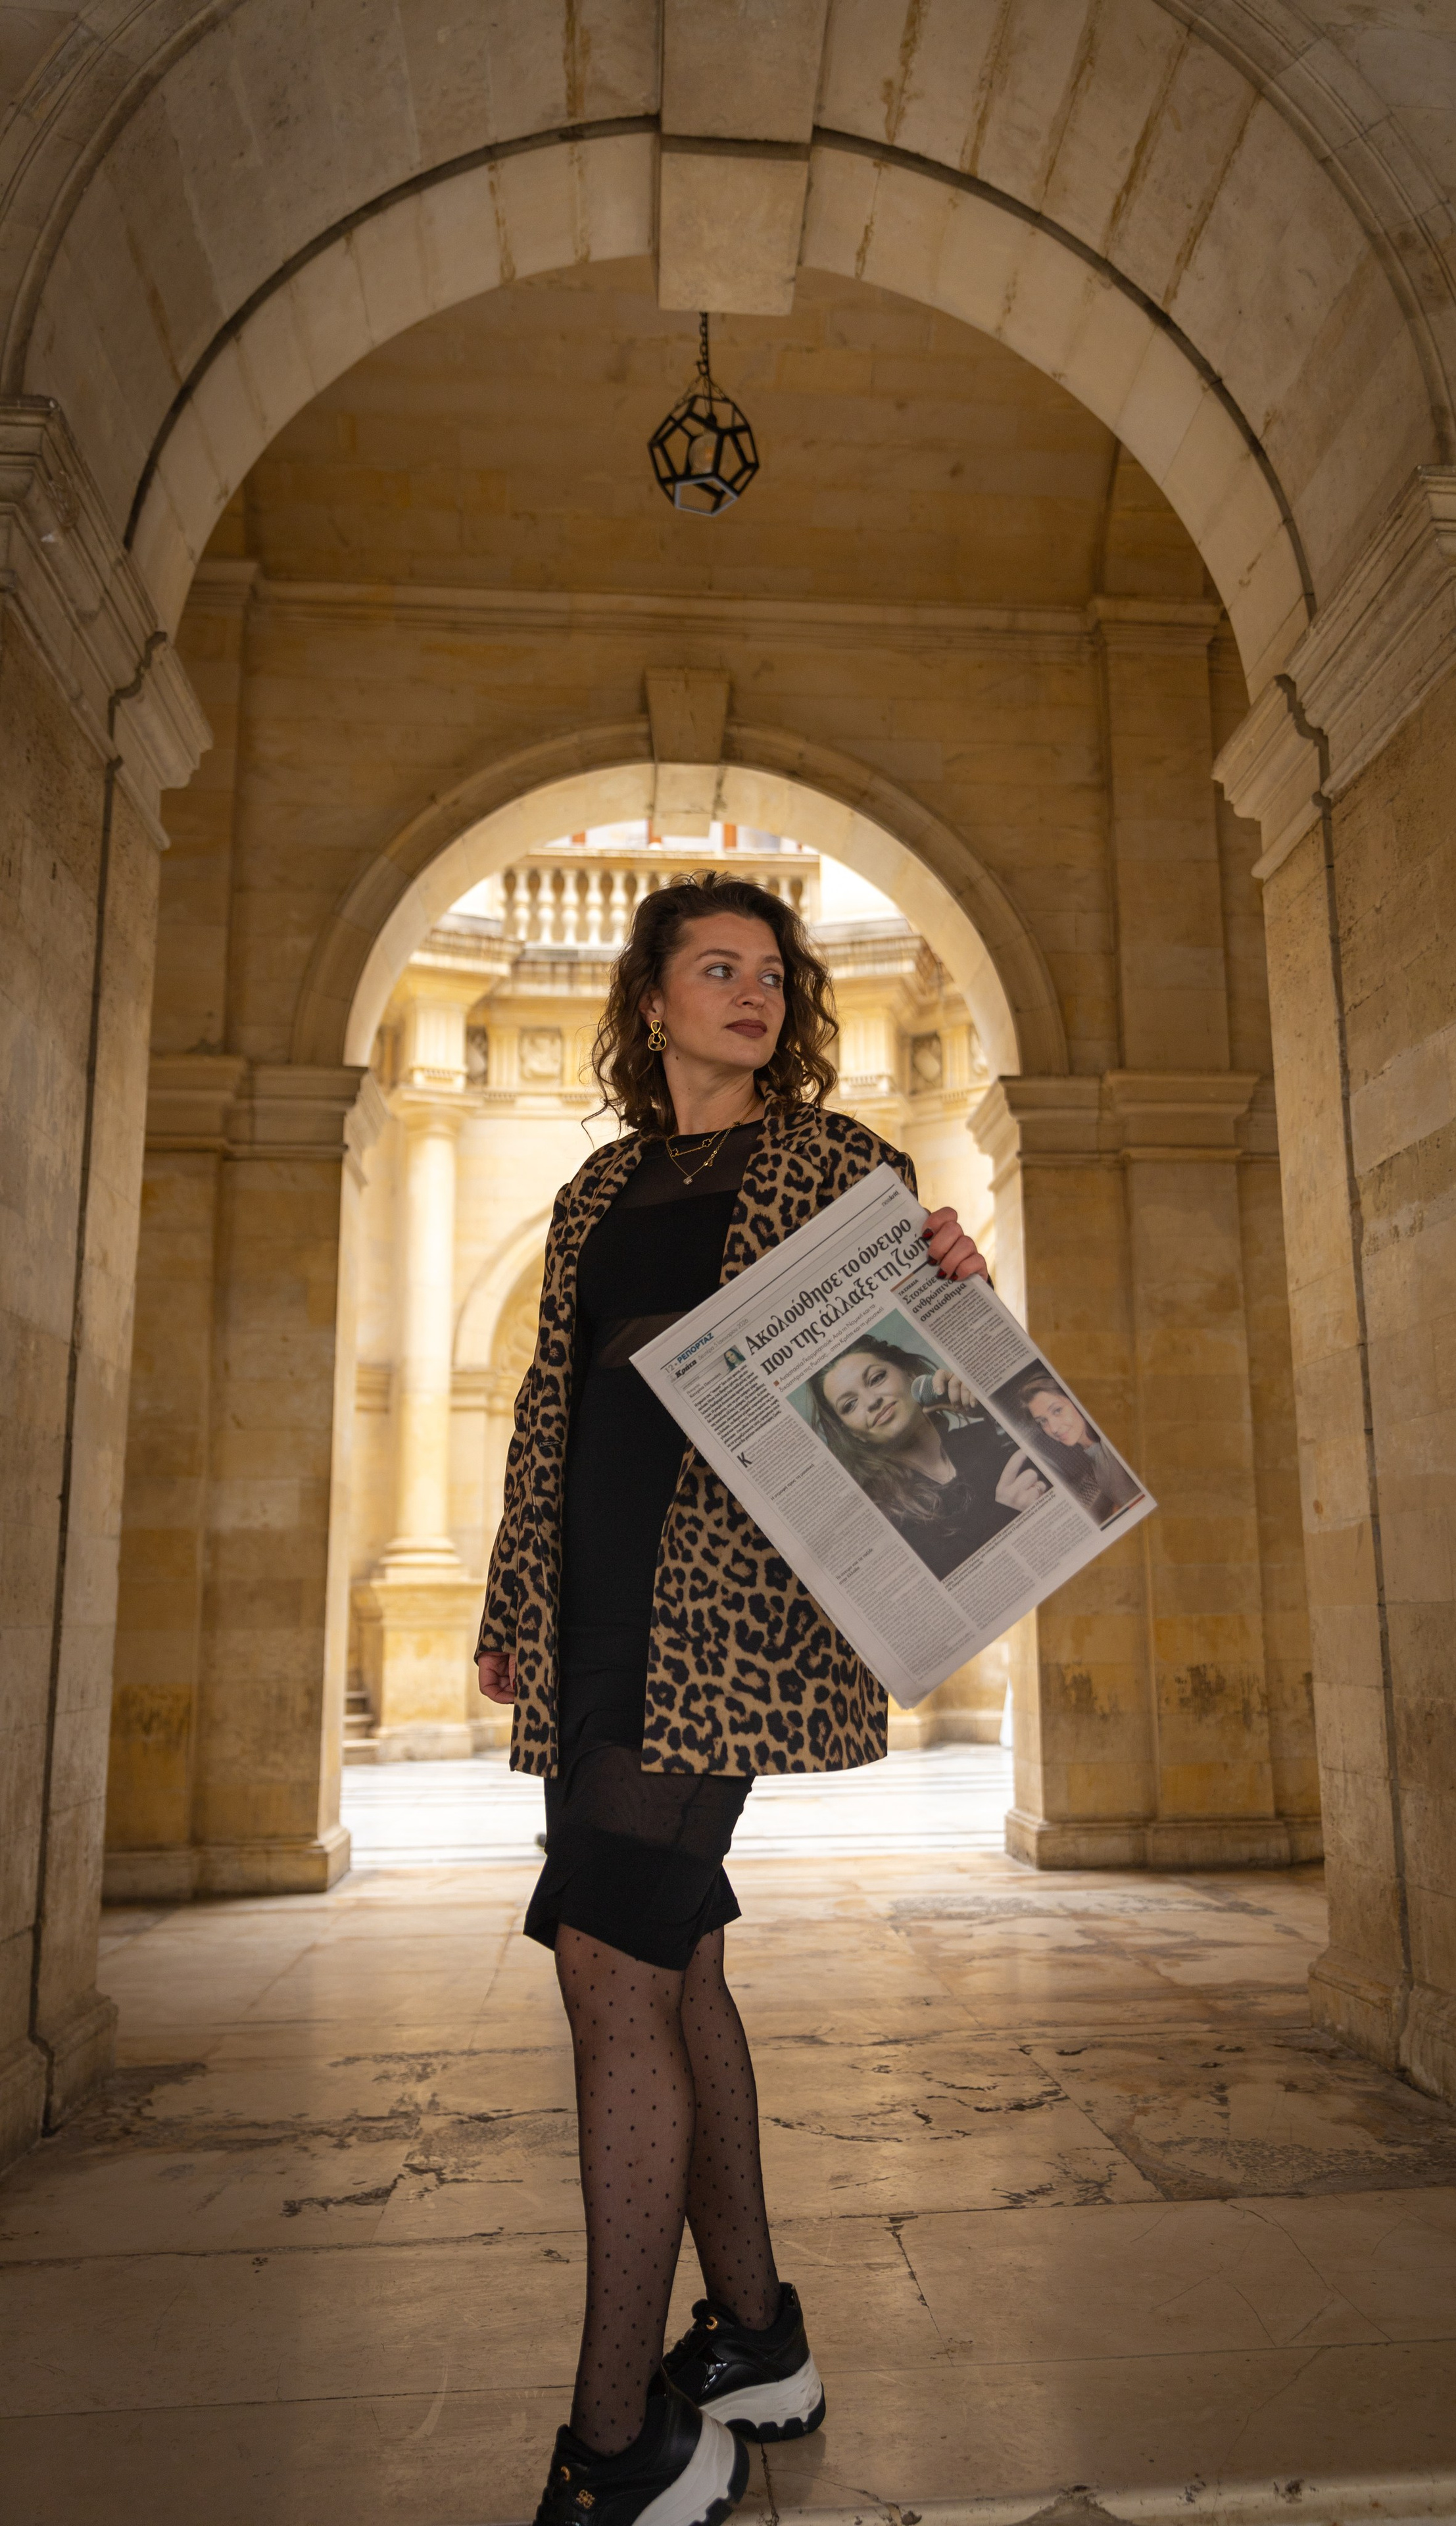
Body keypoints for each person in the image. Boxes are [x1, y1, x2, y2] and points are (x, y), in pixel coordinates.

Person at [473, 871, 990, 2526]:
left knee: (604, 1959)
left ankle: (614, 2431)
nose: (750, 993)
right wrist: (513, 1598)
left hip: (733, 1616)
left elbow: (925, 1433)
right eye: (714, 968)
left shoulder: (842, 1166)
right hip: (596, 1613)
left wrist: (953, 1301)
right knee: (672, 1950)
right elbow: (549, 1411)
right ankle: (755, 2340)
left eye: (769, 972)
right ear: (649, 1000)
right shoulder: (595, 1186)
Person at [809, 1336, 1049, 1579]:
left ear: (910, 1375)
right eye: (850, 1405)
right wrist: (1009, 1516)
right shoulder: (883, 1518)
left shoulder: (986, 1434)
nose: (872, 1402)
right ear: (853, 1433)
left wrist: (993, 1407)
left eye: (876, 1379)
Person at [1009, 1369, 1139, 1522]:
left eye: (1057, 1410)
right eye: (1042, 1421)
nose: (1053, 1428)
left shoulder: (1115, 1447)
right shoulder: (1096, 1457)